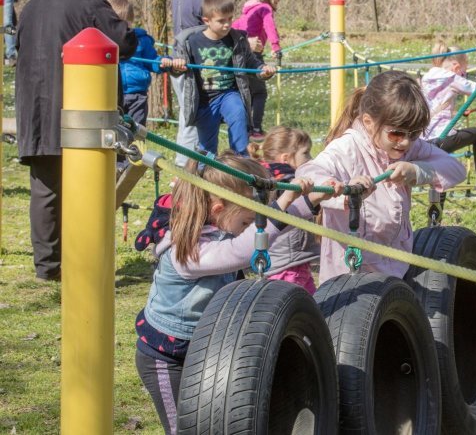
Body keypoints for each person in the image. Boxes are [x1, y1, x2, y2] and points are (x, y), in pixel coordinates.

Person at [134, 151, 338, 434]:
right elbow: (245, 249)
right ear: (218, 209)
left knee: (216, 424)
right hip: (167, 358)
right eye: (245, 222)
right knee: (185, 429)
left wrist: (309, 201)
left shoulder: (220, 226)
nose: (247, 228)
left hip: (208, 347)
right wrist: (284, 202)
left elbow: (258, 229)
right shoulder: (186, 251)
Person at [15, 0, 136, 281]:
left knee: (45, 190)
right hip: (81, 110)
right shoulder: (90, 4)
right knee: (87, 188)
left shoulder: (29, 7)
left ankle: (48, 268)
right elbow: (125, 43)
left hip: (36, 112)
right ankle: (84, 263)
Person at [297, 70, 467, 283]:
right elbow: (309, 172)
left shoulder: (409, 150)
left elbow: (456, 169)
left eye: (413, 134)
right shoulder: (347, 148)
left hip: (396, 269)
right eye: (396, 133)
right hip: (349, 275)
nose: (404, 142)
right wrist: (344, 189)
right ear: (368, 122)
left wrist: (417, 171)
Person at [169, 0, 276, 156]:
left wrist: (262, 70)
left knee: (238, 115)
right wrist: (176, 66)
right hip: (205, 100)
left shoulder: (237, 39)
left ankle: (241, 166)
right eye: (221, 21)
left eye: (230, 19)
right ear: (207, 21)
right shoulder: (191, 42)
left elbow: (251, 62)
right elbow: (177, 67)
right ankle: (207, 174)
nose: (227, 25)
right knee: (207, 147)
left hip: (228, 94)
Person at [170, 0, 236, 166]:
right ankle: (185, 174)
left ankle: (186, 168)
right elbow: (214, 33)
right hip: (193, 65)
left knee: (187, 117)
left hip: (180, 61)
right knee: (194, 118)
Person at [248, 125, 320, 293]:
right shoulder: (285, 183)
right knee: (299, 310)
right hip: (287, 264)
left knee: (313, 309)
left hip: (294, 261)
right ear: (286, 158)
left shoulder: (271, 179)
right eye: (306, 153)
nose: (311, 158)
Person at [420, 42, 476, 186]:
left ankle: (437, 207)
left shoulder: (427, 77)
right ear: (456, 66)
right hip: (443, 137)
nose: (462, 76)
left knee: (440, 178)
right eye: (463, 73)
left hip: (425, 139)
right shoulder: (451, 77)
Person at [232, 0, 283, 139]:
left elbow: (236, 27)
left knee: (247, 91)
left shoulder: (247, 11)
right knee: (260, 92)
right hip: (253, 55)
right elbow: (270, 27)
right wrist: (276, 47)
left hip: (240, 54)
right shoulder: (265, 9)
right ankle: (255, 128)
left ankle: (247, 127)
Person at [108, 0, 167, 127]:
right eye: (117, 24)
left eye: (125, 24)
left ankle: (135, 147)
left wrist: (163, 63)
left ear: (131, 22)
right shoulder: (105, 40)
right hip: (113, 93)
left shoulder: (140, 40)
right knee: (114, 128)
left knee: (136, 129)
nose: (121, 29)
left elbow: (151, 60)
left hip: (137, 94)